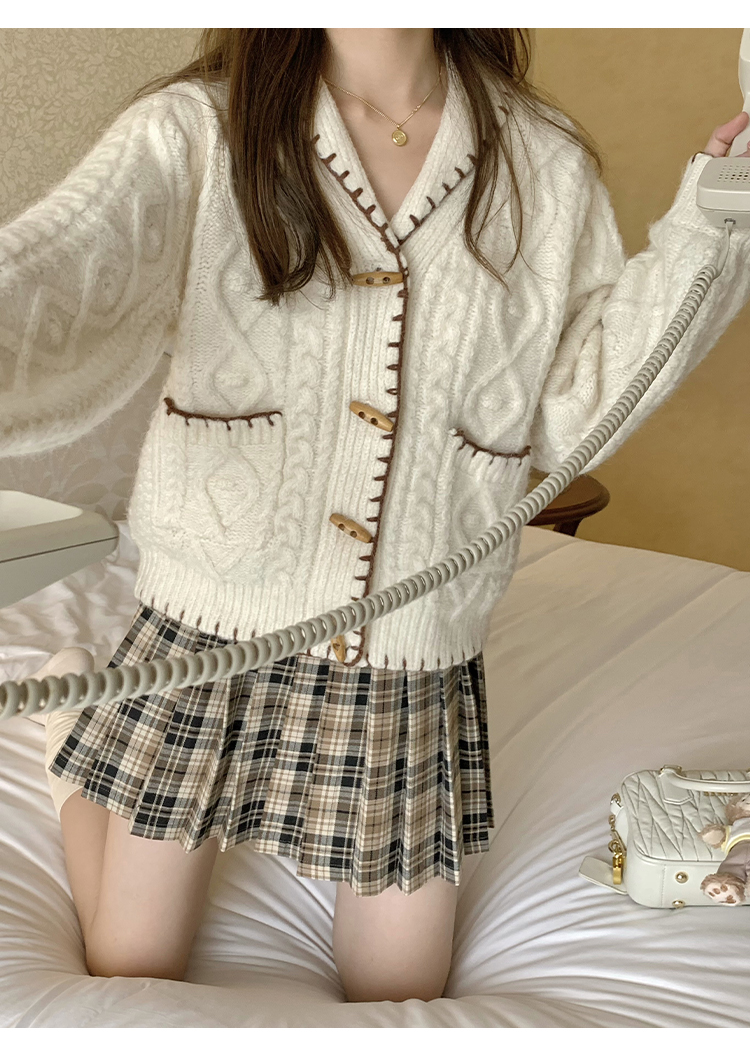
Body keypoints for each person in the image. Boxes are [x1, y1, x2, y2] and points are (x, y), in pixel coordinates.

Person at [5, 28, 750, 1001]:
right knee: (130, 963)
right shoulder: (198, 129)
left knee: (402, 991)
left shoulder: (542, 159)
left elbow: (582, 406)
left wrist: (713, 223)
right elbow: (53, 282)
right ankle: (77, 745)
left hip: (413, 642)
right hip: (211, 624)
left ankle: (94, 733)